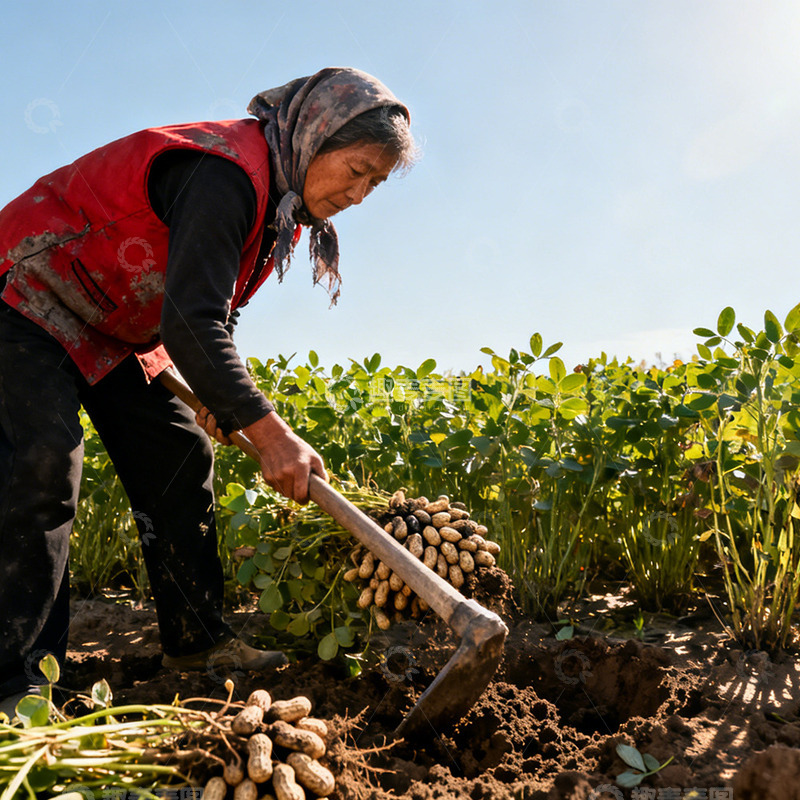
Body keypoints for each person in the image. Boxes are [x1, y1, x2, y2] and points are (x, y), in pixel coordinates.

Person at [0, 67, 416, 712]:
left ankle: (195, 640)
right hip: (26, 294)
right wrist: (268, 428)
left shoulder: (280, 209)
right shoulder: (224, 173)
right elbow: (192, 319)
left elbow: (210, 315)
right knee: (42, 464)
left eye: (376, 183)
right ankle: (18, 680)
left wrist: (222, 404)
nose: (359, 193)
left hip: (115, 327)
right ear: (316, 135)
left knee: (180, 451)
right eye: (356, 168)